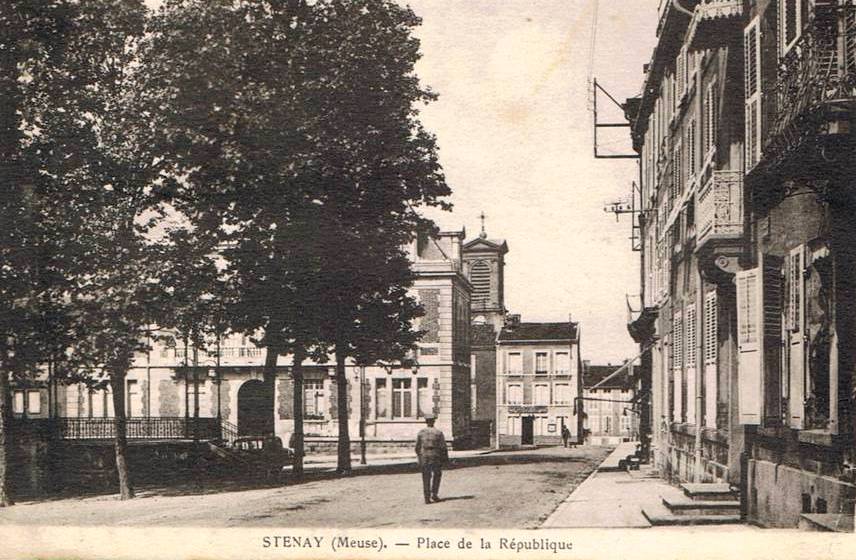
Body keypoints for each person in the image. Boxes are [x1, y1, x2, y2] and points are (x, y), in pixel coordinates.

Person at [415, 413, 448, 504]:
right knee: (437, 475)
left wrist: (419, 457)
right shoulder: (438, 433)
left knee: (426, 476)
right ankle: (434, 494)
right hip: (435, 456)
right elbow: (443, 447)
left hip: (424, 456)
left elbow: (417, 447)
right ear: (433, 421)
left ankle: (427, 497)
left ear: (426, 422)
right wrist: (445, 460)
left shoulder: (421, 432)